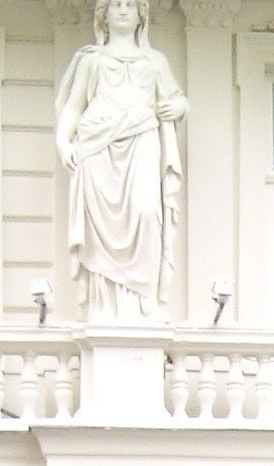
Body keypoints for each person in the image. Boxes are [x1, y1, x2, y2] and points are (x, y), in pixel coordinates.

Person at [54, 0, 184, 322]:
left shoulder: (155, 61)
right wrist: (62, 140)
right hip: (97, 145)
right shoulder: (91, 60)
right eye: (115, 4)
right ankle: (105, 305)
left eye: (130, 4)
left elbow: (176, 98)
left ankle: (144, 296)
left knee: (147, 211)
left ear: (141, 15)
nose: (123, 10)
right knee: (102, 228)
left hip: (142, 139)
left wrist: (181, 108)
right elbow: (74, 105)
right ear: (104, 14)